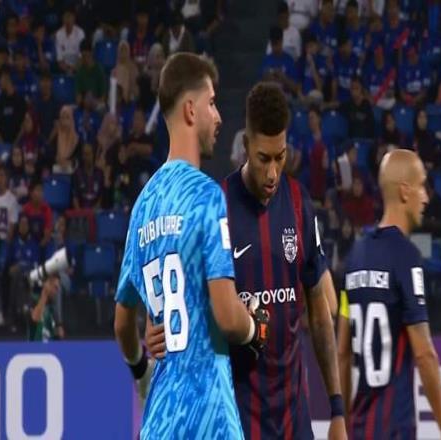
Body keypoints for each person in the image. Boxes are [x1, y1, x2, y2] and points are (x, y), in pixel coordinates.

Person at [147, 82, 346, 439]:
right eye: (263, 158)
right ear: (245, 145)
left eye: (280, 157)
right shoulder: (215, 207)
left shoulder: (299, 203)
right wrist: (154, 324)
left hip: (294, 419)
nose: (272, 173)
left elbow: (319, 312)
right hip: (236, 419)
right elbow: (177, 291)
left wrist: (337, 409)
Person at [114, 53, 270, 439]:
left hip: (160, 421)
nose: (218, 117)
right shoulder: (206, 196)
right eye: (211, 103)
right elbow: (228, 317)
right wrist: (255, 327)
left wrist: (141, 370)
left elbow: (122, 323)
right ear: (190, 110)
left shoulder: (142, 206)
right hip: (209, 414)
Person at [337, 149, 441, 439]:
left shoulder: (354, 258)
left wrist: (344, 422)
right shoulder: (406, 257)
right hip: (394, 429)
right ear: (404, 191)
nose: (426, 198)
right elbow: (424, 354)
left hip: (361, 428)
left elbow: (342, 352)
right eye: (421, 186)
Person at [28, 274, 64, 341]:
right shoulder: (34, 299)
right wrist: (45, 294)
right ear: (47, 285)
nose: (57, 291)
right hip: (35, 345)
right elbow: (35, 319)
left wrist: (58, 328)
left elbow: (59, 333)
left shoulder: (53, 307)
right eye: (55, 287)